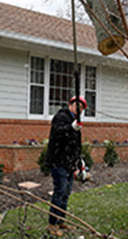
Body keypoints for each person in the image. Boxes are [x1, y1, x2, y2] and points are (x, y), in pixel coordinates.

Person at [44, 95, 86, 237]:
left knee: (66, 193)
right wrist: (71, 127)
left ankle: (61, 220)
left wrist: (80, 162)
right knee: (60, 191)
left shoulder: (76, 121)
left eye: (82, 108)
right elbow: (58, 132)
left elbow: (76, 144)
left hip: (69, 163)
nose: (79, 110)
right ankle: (52, 224)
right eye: (77, 106)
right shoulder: (61, 117)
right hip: (58, 161)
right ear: (71, 104)